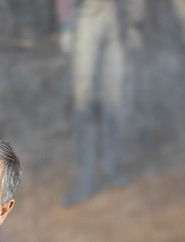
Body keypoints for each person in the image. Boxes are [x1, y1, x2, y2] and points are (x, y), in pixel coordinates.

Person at [57, 0, 144, 205]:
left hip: (117, 16)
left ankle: (111, 168)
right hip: (87, 15)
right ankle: (85, 179)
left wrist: (136, 24)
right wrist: (66, 25)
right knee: (83, 96)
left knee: (114, 95)